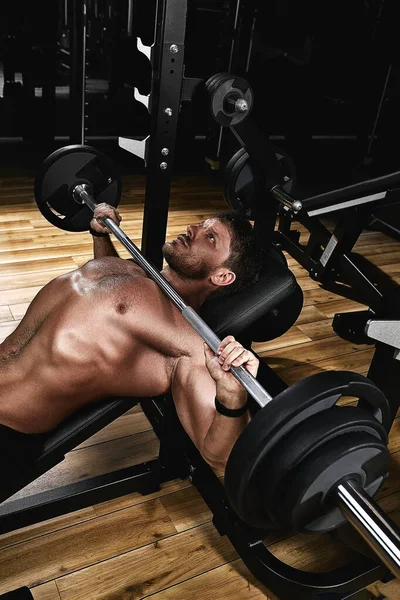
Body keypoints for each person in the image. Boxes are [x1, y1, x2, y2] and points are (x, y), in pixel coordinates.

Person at [0, 204, 264, 470]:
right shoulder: (132, 270)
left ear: (221, 276)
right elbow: (108, 305)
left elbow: (222, 457)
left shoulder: (187, 344)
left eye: (210, 237)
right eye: (200, 224)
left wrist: (232, 397)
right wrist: (101, 235)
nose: (191, 229)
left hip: (8, 427)